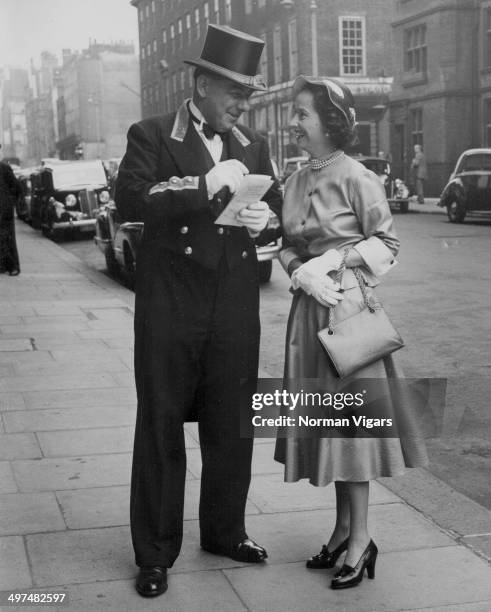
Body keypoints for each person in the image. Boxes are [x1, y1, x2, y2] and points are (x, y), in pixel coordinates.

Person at [115, 24, 282, 598]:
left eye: (249, 95)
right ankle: (156, 552)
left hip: (234, 302)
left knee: (232, 421)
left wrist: (268, 222)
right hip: (171, 304)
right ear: (202, 84)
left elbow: (276, 206)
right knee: (162, 423)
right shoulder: (153, 134)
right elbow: (131, 199)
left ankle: (225, 531)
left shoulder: (253, 145)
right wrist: (204, 183)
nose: (243, 104)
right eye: (236, 92)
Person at [274, 76, 428, 590]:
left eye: (301, 114)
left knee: (353, 431)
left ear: (330, 121)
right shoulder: (293, 181)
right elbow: (284, 244)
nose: (292, 123)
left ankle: (361, 539)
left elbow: (387, 243)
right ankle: (343, 531)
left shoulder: (358, 176)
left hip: (347, 315)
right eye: (293, 114)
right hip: (308, 312)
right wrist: (299, 269)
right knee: (331, 430)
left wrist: (335, 259)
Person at [0, 146, 22, 276]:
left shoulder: (4, 168)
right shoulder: (4, 168)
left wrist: (9, 201)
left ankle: (13, 266)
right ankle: (4, 266)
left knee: (7, 238)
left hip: (4, 209)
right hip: (4, 207)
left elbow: (17, 187)